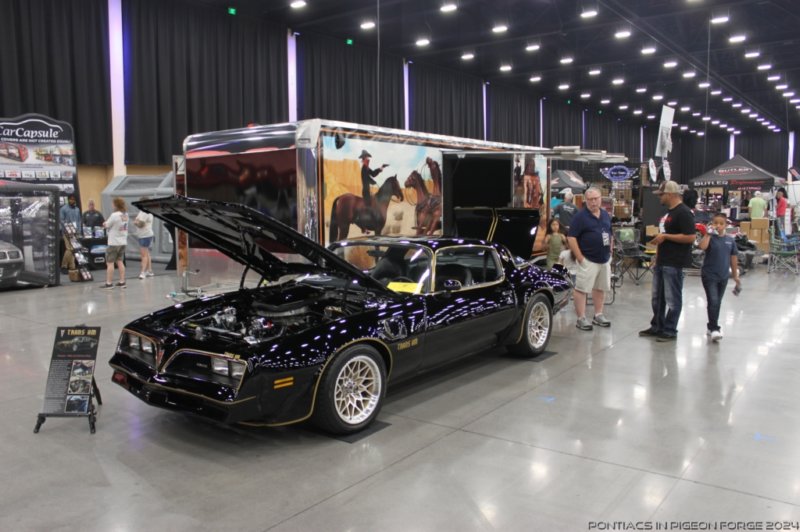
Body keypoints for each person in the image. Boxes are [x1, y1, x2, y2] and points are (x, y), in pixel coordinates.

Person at [639, 181, 696, 342]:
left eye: (661, 194)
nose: (659, 197)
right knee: (657, 297)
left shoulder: (684, 212)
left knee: (672, 298)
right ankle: (657, 325)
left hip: (675, 262)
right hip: (663, 261)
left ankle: (670, 329)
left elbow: (691, 237)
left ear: (670, 194)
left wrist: (665, 236)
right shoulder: (669, 213)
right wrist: (657, 255)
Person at [567, 186, 613, 331]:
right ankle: (581, 318)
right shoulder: (580, 217)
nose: (593, 202)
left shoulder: (605, 214)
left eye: (596, 199)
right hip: (588, 259)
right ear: (585, 200)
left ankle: (598, 315)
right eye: (590, 199)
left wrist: (610, 249)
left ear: (600, 199)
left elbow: (610, 232)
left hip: (604, 259)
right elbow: (571, 237)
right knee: (581, 289)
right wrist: (580, 258)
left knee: (600, 287)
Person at [698, 213, 741, 342]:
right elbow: (702, 247)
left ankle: (710, 326)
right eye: (715, 223)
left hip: (723, 276)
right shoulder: (710, 238)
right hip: (709, 275)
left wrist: (735, 276)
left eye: (721, 223)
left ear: (726, 225)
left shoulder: (730, 240)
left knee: (716, 302)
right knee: (713, 301)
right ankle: (715, 329)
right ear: (712, 224)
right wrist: (708, 234)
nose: (718, 225)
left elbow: (733, 258)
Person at [102, 197, 129, 289]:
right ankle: (122, 281)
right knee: (120, 261)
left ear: (116, 205)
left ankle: (109, 283)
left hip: (114, 242)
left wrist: (104, 224)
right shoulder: (125, 215)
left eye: (113, 204)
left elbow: (107, 225)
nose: (112, 205)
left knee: (110, 262)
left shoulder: (114, 215)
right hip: (123, 241)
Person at [59, 195, 81, 273]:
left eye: (73, 199)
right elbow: (61, 221)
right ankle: (63, 266)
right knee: (69, 249)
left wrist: (79, 231)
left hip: (75, 232)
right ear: (68, 200)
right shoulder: (63, 209)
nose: (72, 201)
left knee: (74, 249)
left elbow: (79, 221)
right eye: (71, 199)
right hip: (66, 232)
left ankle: (72, 266)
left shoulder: (77, 209)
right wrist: (68, 228)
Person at [133, 197, 154, 279]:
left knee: (143, 255)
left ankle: (143, 272)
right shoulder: (144, 211)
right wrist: (137, 221)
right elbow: (139, 221)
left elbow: (140, 224)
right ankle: (149, 271)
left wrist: (136, 222)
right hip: (144, 235)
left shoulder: (145, 212)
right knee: (147, 254)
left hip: (145, 235)